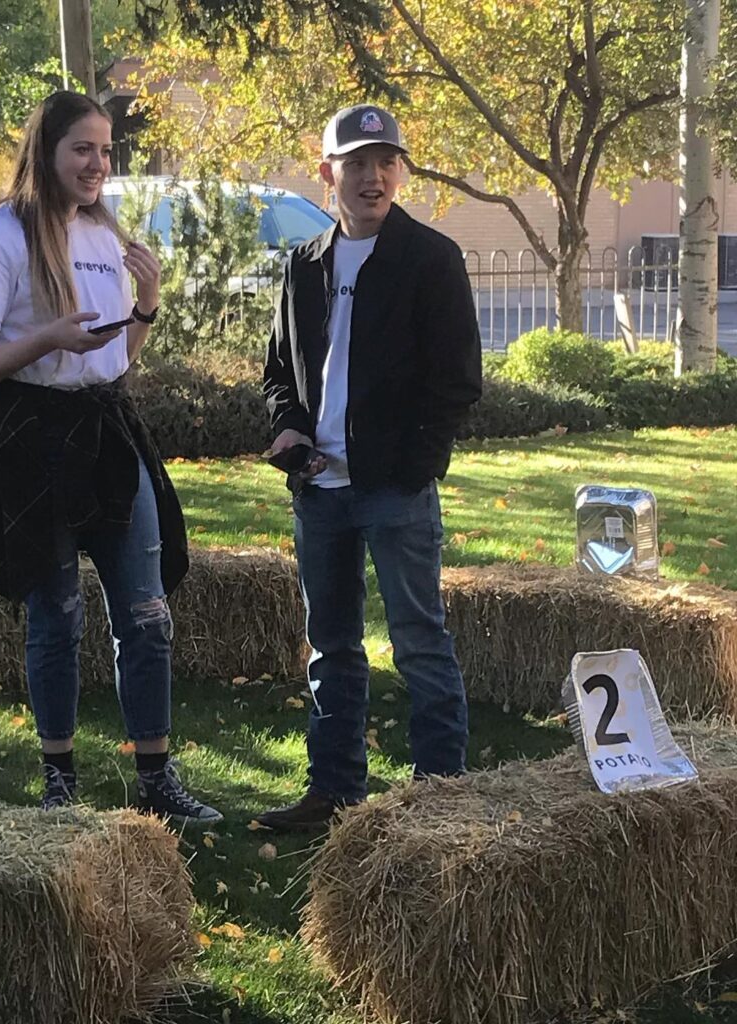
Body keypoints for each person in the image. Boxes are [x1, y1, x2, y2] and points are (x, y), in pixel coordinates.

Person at [0, 90, 221, 824]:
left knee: (148, 613)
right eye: (83, 149)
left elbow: (113, 360)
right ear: (47, 151)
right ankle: (60, 778)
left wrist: (147, 304)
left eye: (105, 150)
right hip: (33, 441)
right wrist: (46, 339)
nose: (99, 164)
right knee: (57, 618)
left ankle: (157, 778)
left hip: (107, 432)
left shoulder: (104, 234)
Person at [256, 105, 482, 830]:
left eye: (386, 162)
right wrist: (290, 429)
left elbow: (457, 380)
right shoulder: (304, 262)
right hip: (318, 489)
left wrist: (415, 466)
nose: (373, 177)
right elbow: (279, 372)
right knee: (331, 649)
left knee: (420, 644)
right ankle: (333, 793)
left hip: (395, 490)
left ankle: (439, 799)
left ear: (400, 172)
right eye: (356, 163)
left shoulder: (431, 258)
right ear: (327, 173)